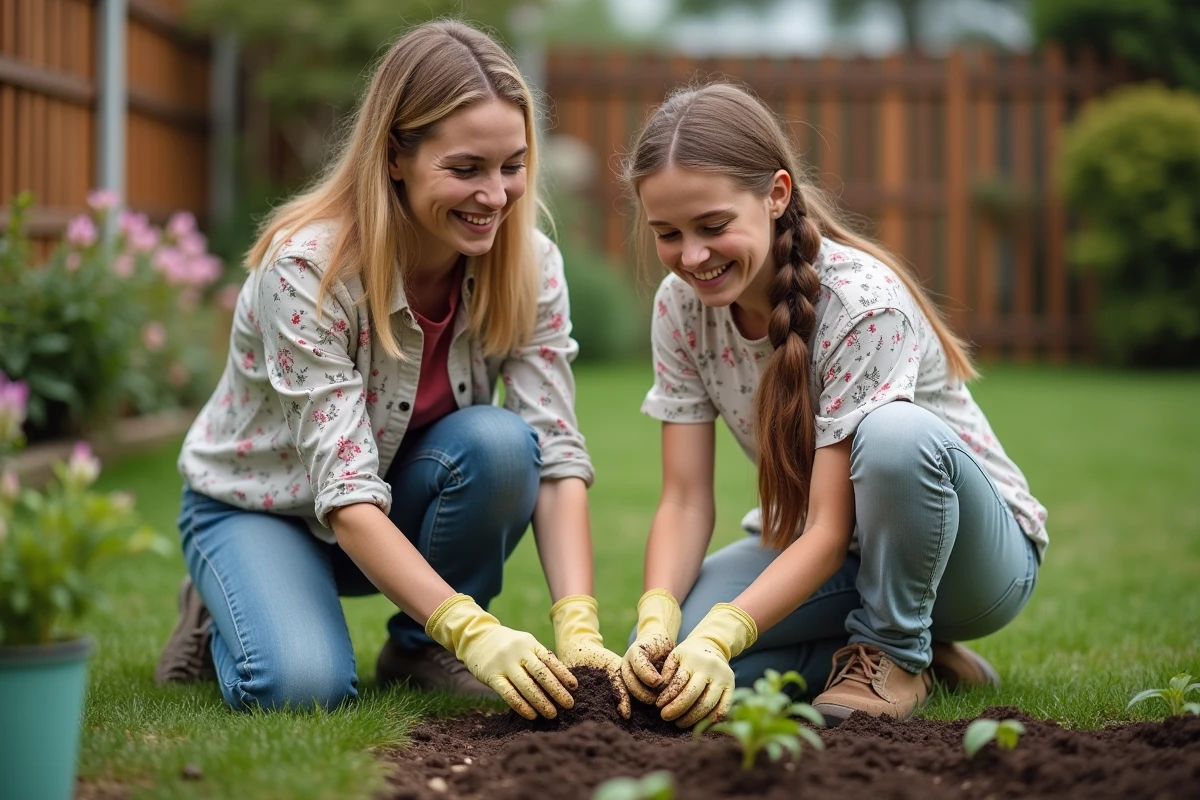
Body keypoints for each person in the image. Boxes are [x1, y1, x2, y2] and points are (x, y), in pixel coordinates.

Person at [154, 20, 631, 720]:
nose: (496, 196)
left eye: (512, 165)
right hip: (264, 507)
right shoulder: (308, 273)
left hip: (396, 508)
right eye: (466, 169)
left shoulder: (530, 266)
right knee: (300, 689)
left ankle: (420, 648)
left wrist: (579, 629)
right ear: (395, 157)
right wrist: (477, 631)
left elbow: (554, 454)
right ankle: (219, 601)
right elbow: (345, 494)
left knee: (502, 445)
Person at [618, 83, 1047, 729]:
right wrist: (660, 618)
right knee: (674, 676)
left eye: (712, 226)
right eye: (668, 234)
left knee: (896, 435)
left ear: (777, 194)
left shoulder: (862, 304)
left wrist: (727, 630)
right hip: (835, 547)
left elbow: (824, 530)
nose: (692, 257)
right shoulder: (680, 309)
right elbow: (684, 499)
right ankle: (903, 660)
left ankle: (896, 648)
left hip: (968, 564)